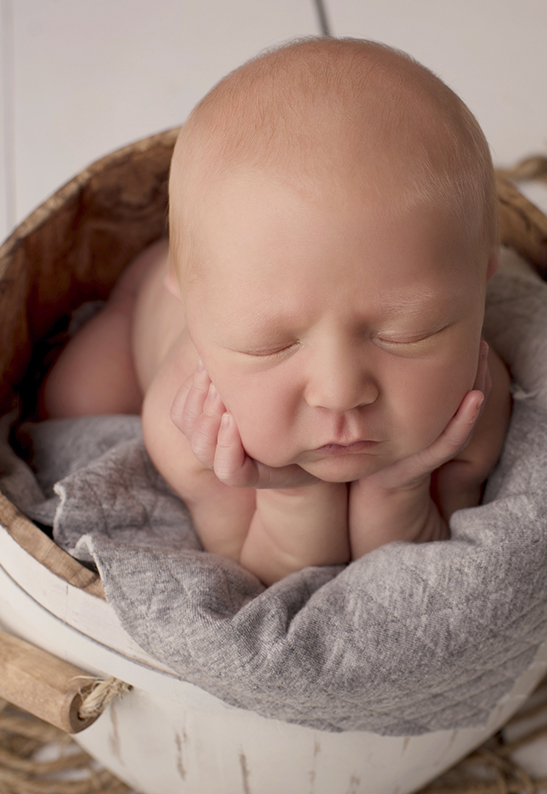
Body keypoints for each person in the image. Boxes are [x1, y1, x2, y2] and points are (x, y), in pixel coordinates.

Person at [39, 37, 512, 586]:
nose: (338, 391)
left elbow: (411, 583)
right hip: (134, 314)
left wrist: (401, 486)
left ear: (482, 280)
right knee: (75, 399)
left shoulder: (476, 408)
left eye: (409, 332)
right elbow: (267, 579)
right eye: (270, 343)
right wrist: (292, 491)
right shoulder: (192, 427)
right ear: (192, 307)